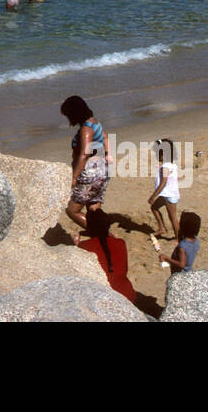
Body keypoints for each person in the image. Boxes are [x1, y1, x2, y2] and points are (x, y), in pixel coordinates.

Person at [62, 94, 112, 232]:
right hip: (102, 170)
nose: (68, 119)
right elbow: (106, 137)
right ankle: (102, 231)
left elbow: (85, 154)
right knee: (93, 207)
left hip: (90, 174)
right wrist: (108, 155)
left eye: (68, 115)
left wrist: (74, 177)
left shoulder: (86, 129)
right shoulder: (95, 123)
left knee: (72, 210)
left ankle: (98, 233)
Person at [76, 209, 137, 304]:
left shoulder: (84, 246)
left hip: (104, 297)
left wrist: (76, 246)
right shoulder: (120, 242)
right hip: (127, 294)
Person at [148, 138, 180, 240]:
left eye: (157, 154)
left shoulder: (165, 166)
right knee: (154, 207)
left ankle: (178, 238)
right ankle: (162, 228)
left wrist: (153, 195)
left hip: (169, 195)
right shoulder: (172, 164)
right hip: (166, 194)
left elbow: (163, 182)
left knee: (173, 218)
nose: (156, 156)